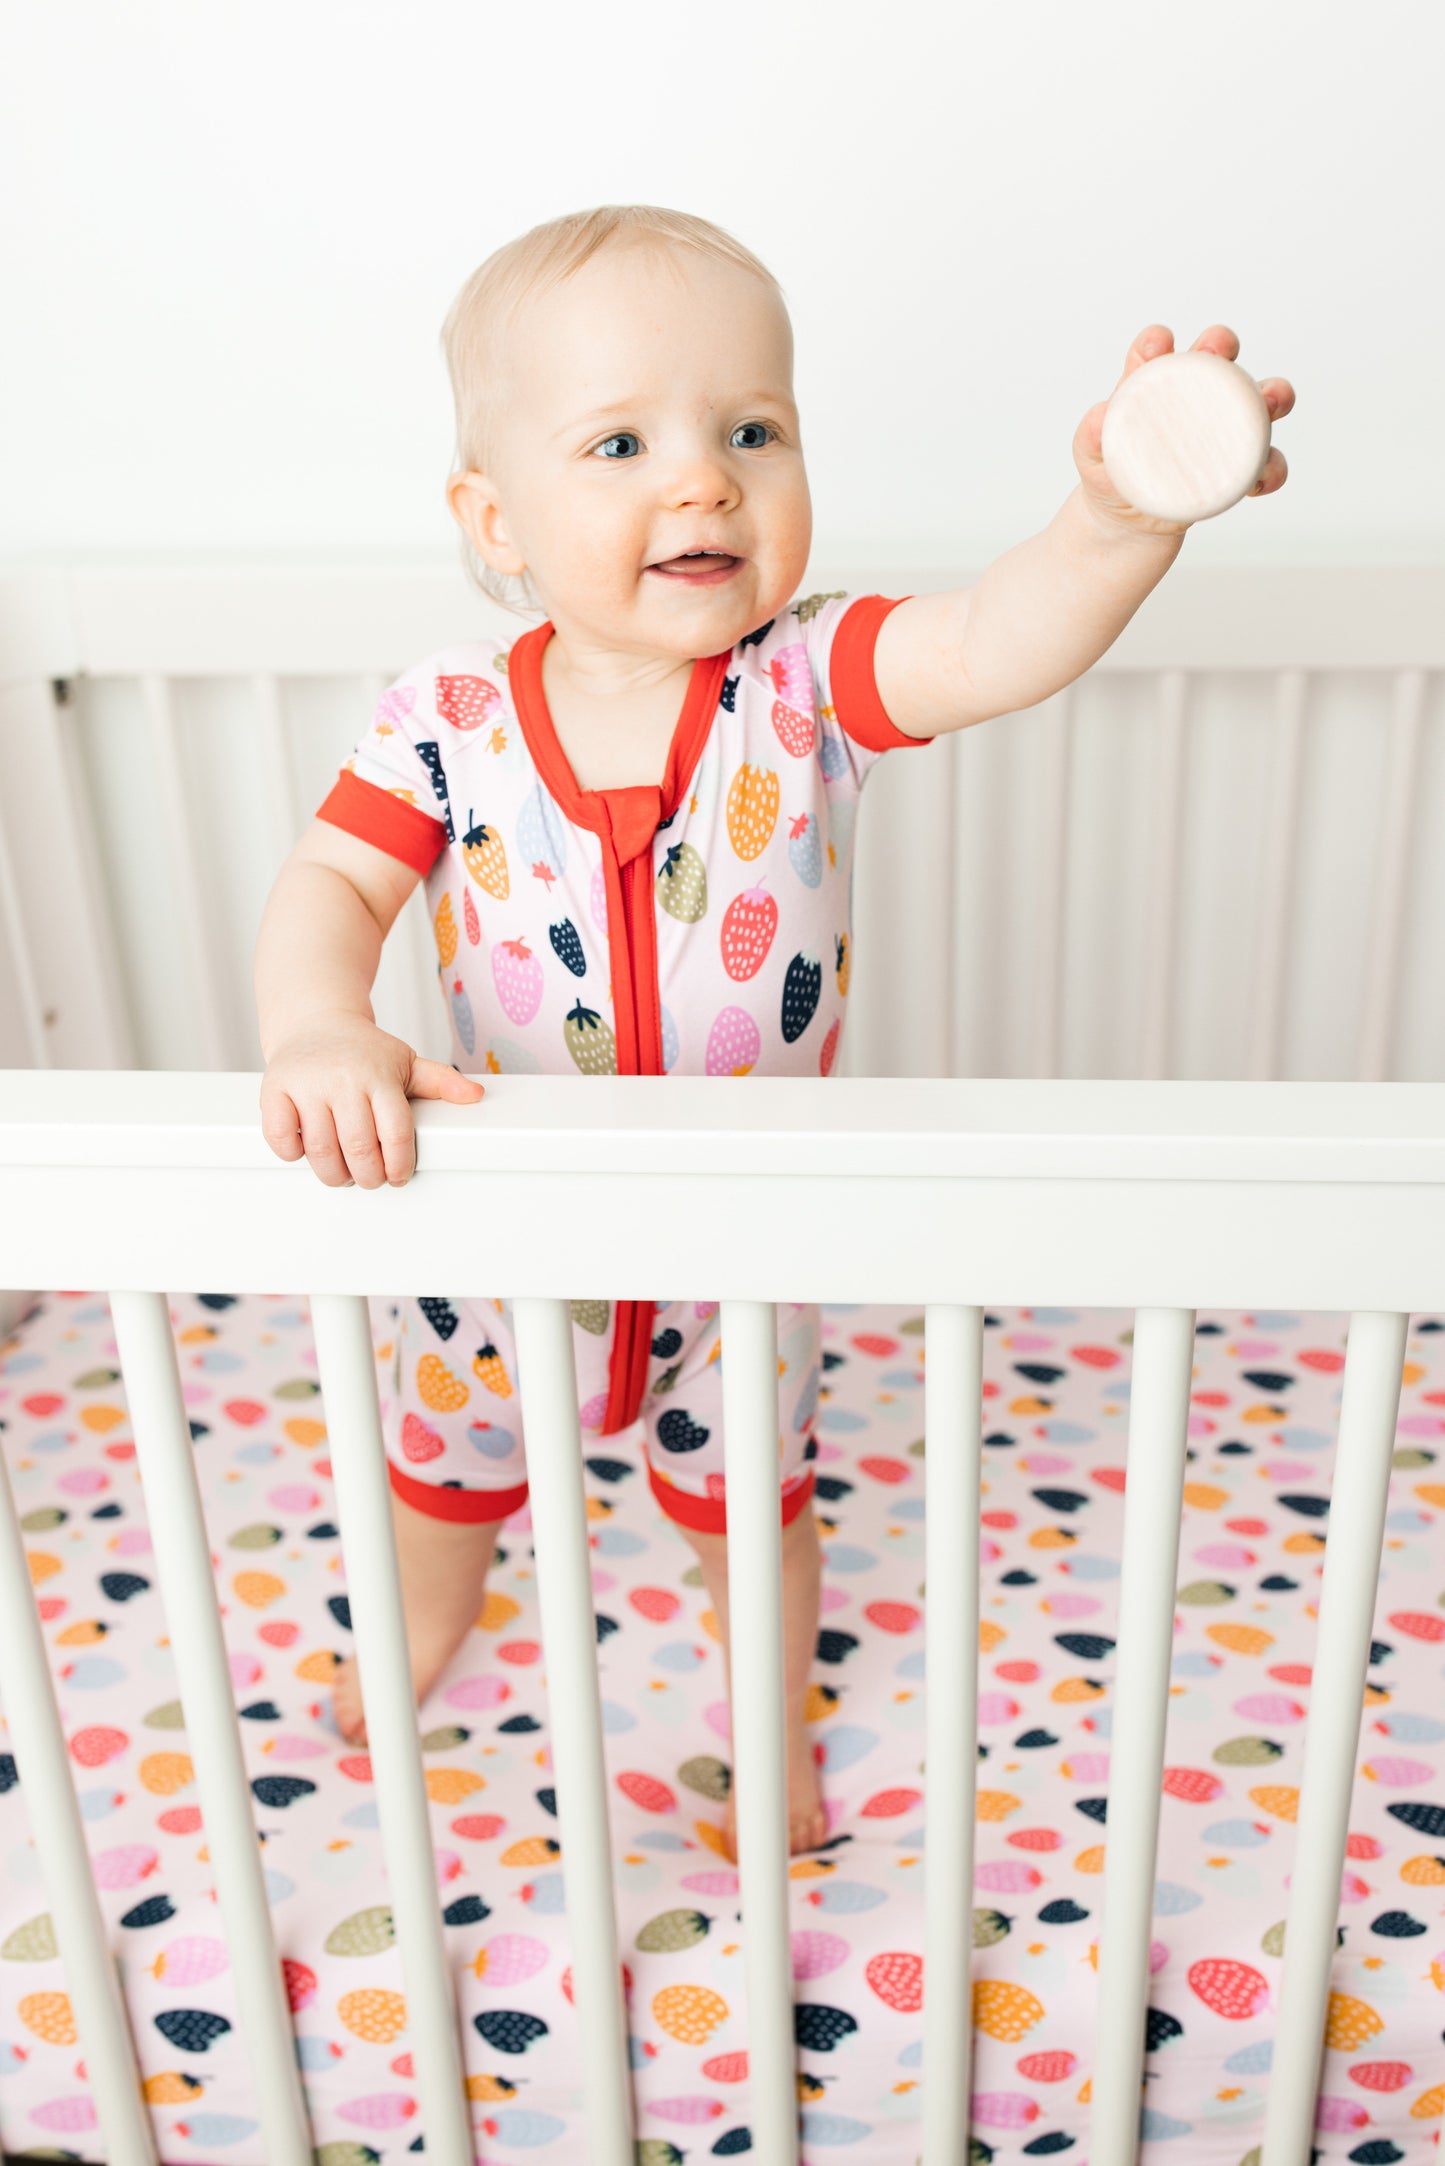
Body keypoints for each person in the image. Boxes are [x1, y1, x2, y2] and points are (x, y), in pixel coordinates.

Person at [254, 202, 1292, 1859]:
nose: (702, 479)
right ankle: (420, 1636)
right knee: (438, 1483)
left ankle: (765, 1731)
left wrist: (1113, 516)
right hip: (485, 1228)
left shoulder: (806, 681)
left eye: (752, 429)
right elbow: (330, 881)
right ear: (492, 516)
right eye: (619, 441)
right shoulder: (444, 715)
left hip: (745, 1250)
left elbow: (1000, 641)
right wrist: (320, 1025)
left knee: (753, 1518)